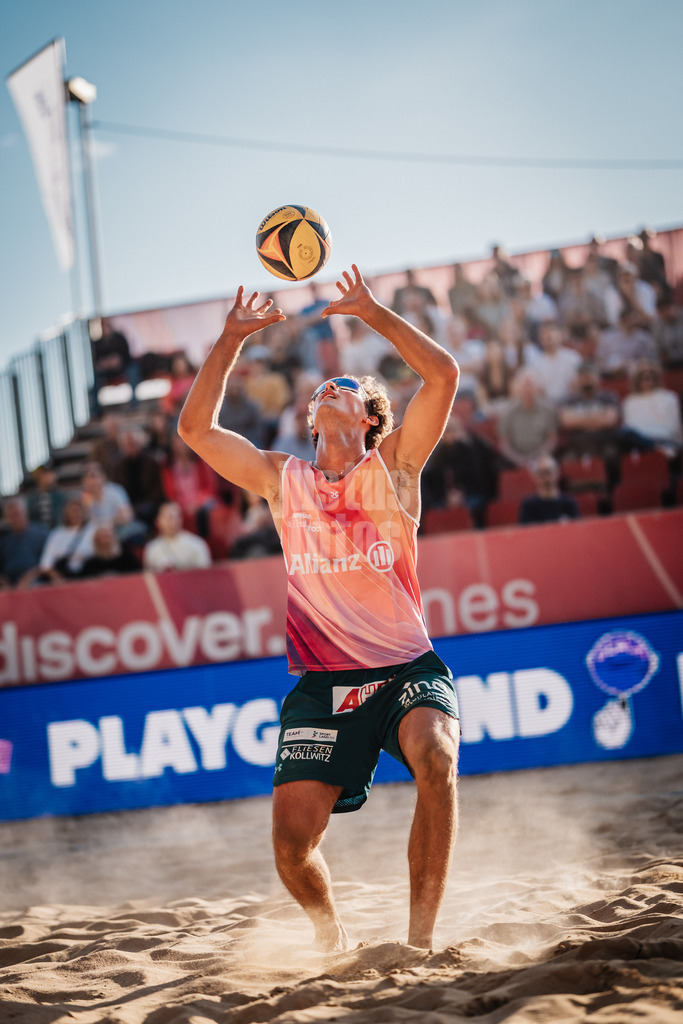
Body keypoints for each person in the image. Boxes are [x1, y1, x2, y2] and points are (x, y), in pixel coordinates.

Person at [179, 264, 461, 952]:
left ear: (368, 418)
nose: (327, 392)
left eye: (344, 389)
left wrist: (371, 314)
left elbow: (444, 375)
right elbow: (194, 428)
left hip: (403, 667)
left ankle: (418, 943)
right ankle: (331, 941)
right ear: (310, 419)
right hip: (322, 682)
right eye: (321, 392)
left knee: (436, 756)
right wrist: (229, 340)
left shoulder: (392, 468)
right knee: (290, 848)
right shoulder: (283, 480)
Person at [143, 502, 212, 572]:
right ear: (158, 521)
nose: (173, 522)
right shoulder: (152, 548)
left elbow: (205, 574)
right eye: (169, 517)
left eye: (177, 517)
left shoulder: (197, 543)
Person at [0, 496, 48, 589]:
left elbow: (48, 564)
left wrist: (29, 577)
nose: (15, 518)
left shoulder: (41, 534)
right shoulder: (4, 541)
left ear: (25, 512)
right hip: (10, 585)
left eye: (17, 514)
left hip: (36, 581)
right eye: (11, 516)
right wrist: (3, 582)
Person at [518, 455, 580, 525]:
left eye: (549, 472)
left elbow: (576, 529)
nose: (546, 478)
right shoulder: (528, 505)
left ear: (557, 473)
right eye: (541, 473)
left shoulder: (569, 502)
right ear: (535, 476)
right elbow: (525, 532)